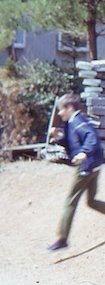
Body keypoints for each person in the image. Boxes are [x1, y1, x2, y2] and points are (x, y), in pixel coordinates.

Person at [46, 93, 105, 251]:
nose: (59, 113)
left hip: (85, 166)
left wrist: (83, 153)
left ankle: (61, 238)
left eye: (61, 110)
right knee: (91, 201)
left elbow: (91, 137)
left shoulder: (77, 121)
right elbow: (71, 142)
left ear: (70, 108)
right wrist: (58, 136)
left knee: (70, 201)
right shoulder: (73, 121)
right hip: (94, 165)